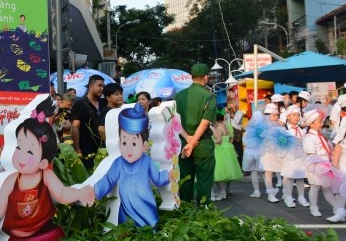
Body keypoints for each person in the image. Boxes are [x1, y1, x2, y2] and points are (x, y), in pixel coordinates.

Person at [0, 96, 95, 241]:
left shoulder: (46, 176)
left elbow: (62, 194)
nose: (21, 155)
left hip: (46, 236)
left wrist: (80, 193)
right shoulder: (11, 180)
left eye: (30, 151)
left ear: (43, 162)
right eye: (19, 147)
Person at [93, 104, 173, 227]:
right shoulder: (118, 163)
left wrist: (169, 175)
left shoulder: (146, 161)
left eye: (134, 144)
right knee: (126, 233)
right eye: (124, 142)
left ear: (145, 145)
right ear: (119, 143)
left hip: (147, 209)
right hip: (126, 211)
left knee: (149, 232)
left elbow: (157, 179)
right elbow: (108, 180)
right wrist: (94, 192)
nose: (129, 149)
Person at [174, 63, 216, 205]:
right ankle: (204, 213)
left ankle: (186, 212)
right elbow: (204, 123)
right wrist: (193, 143)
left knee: (185, 180)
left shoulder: (179, 96)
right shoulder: (209, 96)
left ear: (191, 77)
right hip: (202, 145)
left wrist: (188, 139)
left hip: (184, 142)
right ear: (206, 77)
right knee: (204, 181)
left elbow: (175, 121)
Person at [302, 109, 338, 218]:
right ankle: (313, 207)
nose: (322, 123)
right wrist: (319, 165)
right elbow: (311, 155)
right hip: (315, 166)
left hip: (325, 166)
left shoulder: (320, 135)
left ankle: (337, 208)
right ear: (311, 124)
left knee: (326, 188)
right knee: (315, 187)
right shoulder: (309, 138)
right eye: (319, 122)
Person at [71, 75, 106, 170]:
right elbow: (75, 127)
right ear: (90, 86)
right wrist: (77, 149)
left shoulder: (104, 102)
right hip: (87, 148)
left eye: (103, 86)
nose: (102, 88)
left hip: (104, 147)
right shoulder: (79, 104)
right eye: (99, 85)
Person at [280, 105, 309, 208]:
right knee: (289, 177)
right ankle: (288, 196)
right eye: (294, 115)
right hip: (289, 156)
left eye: (298, 115)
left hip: (301, 155)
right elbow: (281, 143)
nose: (296, 117)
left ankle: (301, 197)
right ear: (288, 116)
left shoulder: (301, 129)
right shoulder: (284, 129)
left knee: (300, 177)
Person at [210, 113, 242, 201]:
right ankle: (226, 189)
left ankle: (220, 192)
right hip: (227, 147)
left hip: (219, 149)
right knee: (228, 170)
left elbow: (218, 140)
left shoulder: (218, 128)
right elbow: (231, 138)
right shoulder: (227, 126)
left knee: (217, 172)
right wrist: (228, 145)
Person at [259, 103, 283, 203]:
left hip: (277, 152)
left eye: (277, 115)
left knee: (281, 171)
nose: (276, 117)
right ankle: (270, 192)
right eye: (274, 115)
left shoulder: (279, 125)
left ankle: (286, 193)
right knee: (268, 173)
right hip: (267, 152)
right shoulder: (263, 126)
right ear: (267, 116)